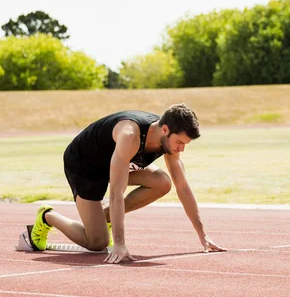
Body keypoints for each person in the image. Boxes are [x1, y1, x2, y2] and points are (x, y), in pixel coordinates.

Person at [29, 103, 227, 263]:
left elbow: (181, 186)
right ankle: (47, 216)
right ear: (165, 129)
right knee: (97, 242)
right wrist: (120, 244)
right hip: (85, 166)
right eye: (180, 143)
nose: (181, 149)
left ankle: (104, 217)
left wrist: (203, 235)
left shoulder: (168, 141)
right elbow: (116, 192)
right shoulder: (130, 136)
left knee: (162, 182)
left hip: (115, 163)